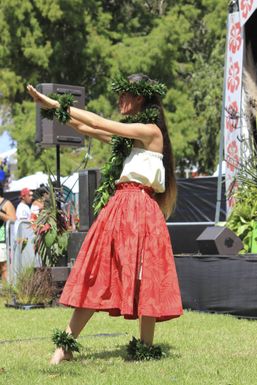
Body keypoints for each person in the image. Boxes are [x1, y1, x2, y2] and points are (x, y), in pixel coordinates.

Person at [27, 73, 183, 364]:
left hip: (141, 209)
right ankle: (65, 346)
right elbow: (86, 127)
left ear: (139, 97)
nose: (119, 100)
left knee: (144, 276)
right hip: (119, 207)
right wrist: (50, 109)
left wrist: (53, 101)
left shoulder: (150, 132)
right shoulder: (128, 139)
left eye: (125, 95)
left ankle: (144, 348)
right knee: (96, 271)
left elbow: (99, 122)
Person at [0, 183, 16, 282]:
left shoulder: (6, 204)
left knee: (3, 267)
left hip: (2, 241)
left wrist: (1, 215)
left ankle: (6, 294)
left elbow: (14, 220)